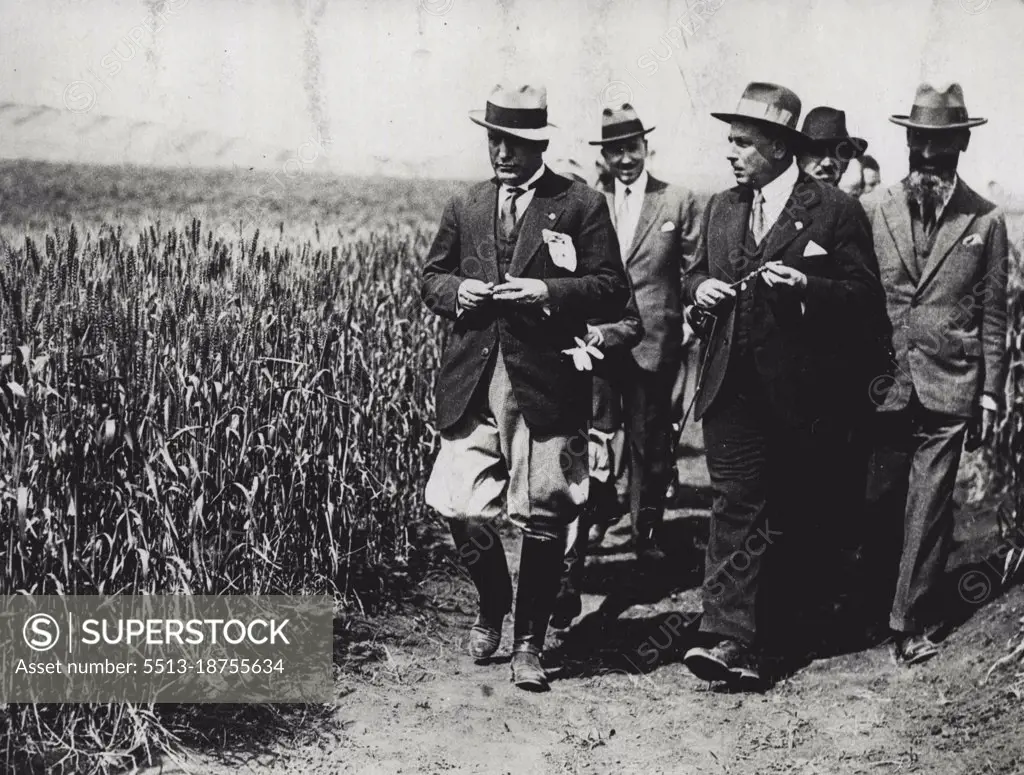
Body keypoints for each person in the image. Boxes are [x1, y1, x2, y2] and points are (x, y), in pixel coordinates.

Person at [421, 83, 629, 691]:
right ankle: (493, 601)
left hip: (544, 383)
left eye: (513, 143)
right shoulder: (466, 203)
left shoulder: (580, 203)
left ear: (538, 143)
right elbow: (432, 276)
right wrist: (456, 291)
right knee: (459, 503)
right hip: (474, 376)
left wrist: (549, 293)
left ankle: (529, 644)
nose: (502, 154)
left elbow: (610, 288)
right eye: (494, 141)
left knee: (546, 514)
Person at [679, 82, 886, 687]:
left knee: (792, 512)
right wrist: (699, 294)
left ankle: (777, 633)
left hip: (801, 394)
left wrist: (808, 289)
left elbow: (865, 300)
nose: (732, 153)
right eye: (730, 142)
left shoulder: (834, 210)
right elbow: (694, 274)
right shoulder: (722, 207)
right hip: (728, 387)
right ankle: (726, 637)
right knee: (733, 504)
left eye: (743, 143)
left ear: (777, 148)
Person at [861, 82, 1008, 665]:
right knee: (877, 499)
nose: (927, 154)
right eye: (919, 141)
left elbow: (994, 311)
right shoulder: (874, 210)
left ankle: (910, 621)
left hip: (951, 383)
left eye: (941, 144)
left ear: (961, 145)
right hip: (883, 384)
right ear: (907, 140)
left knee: (929, 504)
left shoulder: (987, 220)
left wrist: (991, 392)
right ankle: (867, 604)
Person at [585, 103, 702, 563]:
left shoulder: (677, 200)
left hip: (654, 340)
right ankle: (593, 522)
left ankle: (645, 536)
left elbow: (694, 268)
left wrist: (690, 319)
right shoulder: (589, 202)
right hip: (598, 340)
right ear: (605, 157)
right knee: (595, 435)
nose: (626, 160)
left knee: (649, 442)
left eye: (632, 149)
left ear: (646, 148)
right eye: (616, 151)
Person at [797, 106, 868, 188]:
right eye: (817, 151)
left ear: (845, 165)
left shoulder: (845, 200)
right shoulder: (781, 198)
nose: (827, 164)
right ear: (799, 157)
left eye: (836, 153)